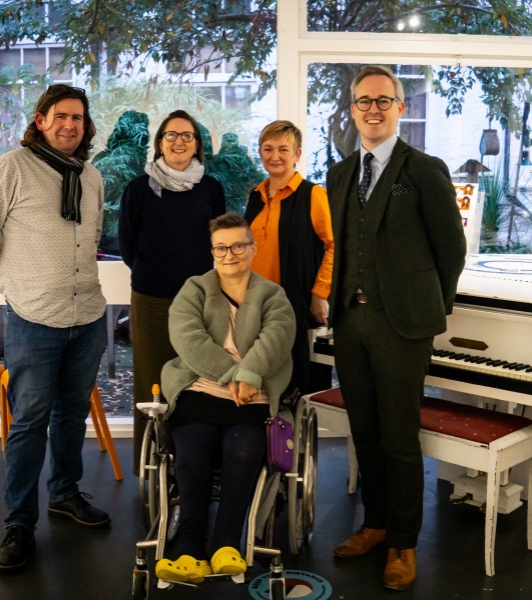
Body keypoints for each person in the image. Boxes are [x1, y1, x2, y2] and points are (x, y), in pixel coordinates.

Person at [326, 66, 466, 590]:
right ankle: (377, 525)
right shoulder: (340, 173)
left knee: (400, 436)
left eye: (384, 100)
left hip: (403, 325)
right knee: (364, 431)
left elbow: (451, 249)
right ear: (354, 108)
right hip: (351, 320)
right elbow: (342, 246)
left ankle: (404, 545)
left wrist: (430, 306)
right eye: (364, 101)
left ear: (400, 108)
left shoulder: (426, 170)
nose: (373, 109)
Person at [0, 84, 110, 572]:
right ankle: (18, 523)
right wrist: (7, 282)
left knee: (71, 417)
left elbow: (88, 240)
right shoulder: (11, 168)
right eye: (61, 116)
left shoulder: (91, 177)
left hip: (87, 317)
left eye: (78, 117)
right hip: (33, 320)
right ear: (41, 119)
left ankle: (64, 493)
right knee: (27, 423)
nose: (70, 124)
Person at [154, 213, 295, 583]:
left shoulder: (271, 294)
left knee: (244, 451)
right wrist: (233, 374)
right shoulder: (195, 289)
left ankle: (226, 544)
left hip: (254, 396)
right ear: (212, 251)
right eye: (221, 248)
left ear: (252, 248)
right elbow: (187, 338)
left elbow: (278, 336)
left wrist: (250, 375)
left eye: (237, 246)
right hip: (200, 389)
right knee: (192, 452)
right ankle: (188, 548)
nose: (229, 254)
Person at [118, 110, 226, 472]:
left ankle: (191, 465)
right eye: (171, 135)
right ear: (159, 142)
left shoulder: (211, 188)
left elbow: (219, 243)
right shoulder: (138, 189)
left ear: (197, 144)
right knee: (152, 383)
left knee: (197, 381)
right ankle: (149, 465)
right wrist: (155, 273)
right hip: (151, 299)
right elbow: (128, 245)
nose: (179, 141)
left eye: (187, 135)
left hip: (200, 301)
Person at [245, 120, 334, 394]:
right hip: (255, 306)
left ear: (297, 154)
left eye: (283, 149)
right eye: (268, 148)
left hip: (293, 305)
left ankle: (293, 437)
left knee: (295, 386)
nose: (275, 156)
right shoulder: (256, 196)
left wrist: (320, 293)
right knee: (260, 385)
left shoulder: (313, 195)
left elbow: (334, 246)